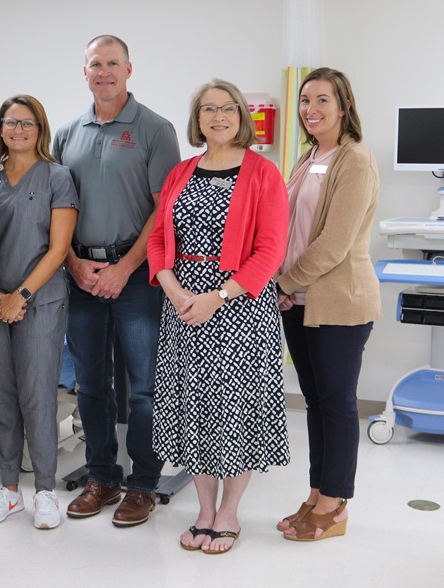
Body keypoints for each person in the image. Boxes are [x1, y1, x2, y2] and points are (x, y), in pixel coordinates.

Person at [147, 79, 290, 554]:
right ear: (198, 119)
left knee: (234, 411)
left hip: (240, 310)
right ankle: (204, 511)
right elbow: (159, 239)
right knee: (196, 409)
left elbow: (270, 251)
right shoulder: (181, 171)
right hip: (182, 306)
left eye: (228, 109)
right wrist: (172, 287)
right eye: (208, 109)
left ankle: (229, 512)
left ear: (241, 116)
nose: (218, 117)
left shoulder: (263, 173)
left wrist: (217, 295)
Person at [52, 34, 180, 527]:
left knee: (145, 387)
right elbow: (58, 210)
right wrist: (73, 265)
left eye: (112, 63)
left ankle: (143, 483)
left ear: (129, 69)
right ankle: (102, 476)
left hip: (137, 277)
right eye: (94, 64)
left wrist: (125, 267)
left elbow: (162, 210)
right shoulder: (67, 134)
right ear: (84, 72)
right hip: (82, 275)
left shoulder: (155, 130)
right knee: (90, 385)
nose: (103, 72)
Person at [276, 67, 380, 542]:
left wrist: (285, 281)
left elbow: (335, 244)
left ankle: (336, 506)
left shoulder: (354, 160)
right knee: (315, 403)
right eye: (305, 101)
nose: (311, 109)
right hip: (297, 301)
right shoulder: (307, 157)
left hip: (337, 304)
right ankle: (318, 492)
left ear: (345, 106)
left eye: (322, 100)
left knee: (336, 404)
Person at [0, 95, 78, 530]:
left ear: (41, 128)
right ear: (0, 129)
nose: (18, 130)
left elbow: (58, 250)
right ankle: (8, 489)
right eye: (10, 122)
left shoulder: (58, 177)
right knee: (1, 398)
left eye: (28, 123)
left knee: (38, 398)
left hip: (41, 302)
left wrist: (20, 295)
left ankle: (45, 491)